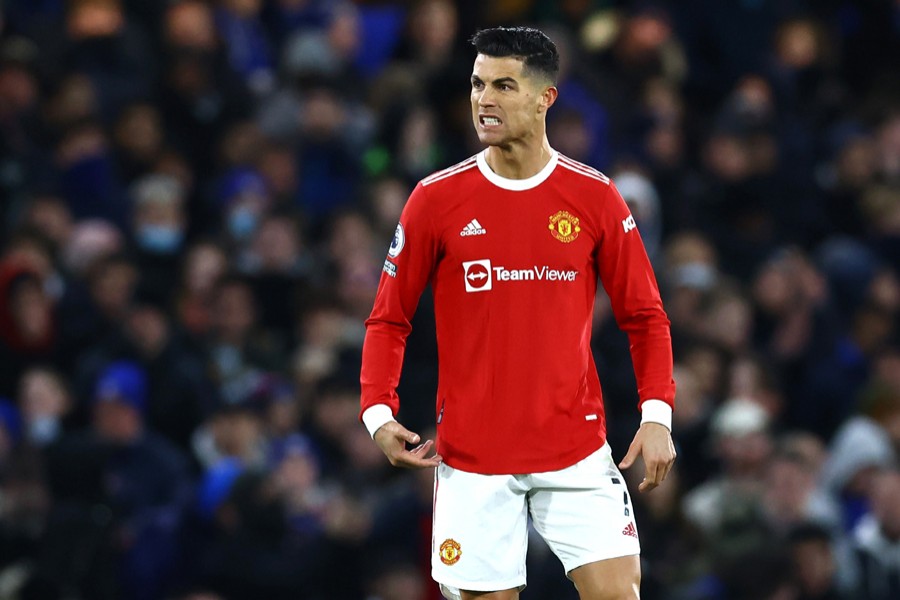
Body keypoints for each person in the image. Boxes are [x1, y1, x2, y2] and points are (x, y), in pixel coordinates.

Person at [359, 26, 676, 600]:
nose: (485, 99)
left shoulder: (594, 198)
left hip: (575, 452)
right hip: (473, 459)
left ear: (545, 97)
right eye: (479, 84)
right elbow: (388, 319)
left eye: (504, 85)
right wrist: (377, 414)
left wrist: (657, 414)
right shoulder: (435, 200)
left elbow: (645, 315)